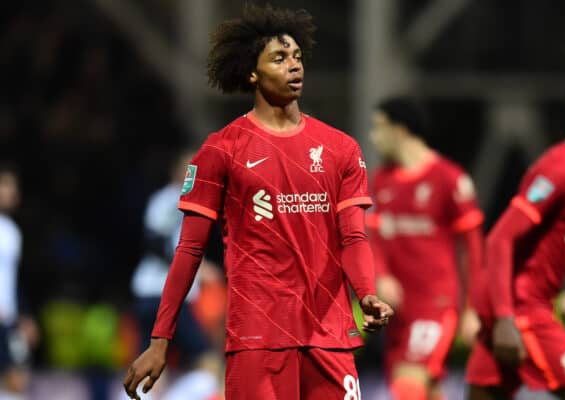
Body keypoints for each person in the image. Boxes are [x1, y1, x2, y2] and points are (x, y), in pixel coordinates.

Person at [123, 4, 393, 400]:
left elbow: (353, 237)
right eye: (280, 58)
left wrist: (366, 292)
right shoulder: (222, 150)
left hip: (328, 336)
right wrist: (160, 340)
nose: (294, 66)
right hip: (258, 338)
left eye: (298, 57)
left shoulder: (340, 149)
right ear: (253, 72)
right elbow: (190, 249)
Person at [466, 78, 565, 400]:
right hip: (522, 310)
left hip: (520, 311)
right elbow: (499, 239)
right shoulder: (559, 169)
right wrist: (505, 320)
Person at [366, 97, 484, 400]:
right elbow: (374, 238)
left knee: (408, 384)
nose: (373, 137)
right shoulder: (382, 180)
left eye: (380, 128)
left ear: (401, 130)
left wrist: (472, 309)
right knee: (427, 390)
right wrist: (381, 275)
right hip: (399, 312)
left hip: (436, 303)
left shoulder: (449, 179)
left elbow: (473, 249)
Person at [129, 149, 221, 399]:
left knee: (154, 368)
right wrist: (195, 267)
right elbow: (153, 241)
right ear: (179, 171)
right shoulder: (169, 200)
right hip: (163, 294)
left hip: (156, 294)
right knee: (208, 362)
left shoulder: (185, 201)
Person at [0, 163, 39, 399]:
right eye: (5, 185)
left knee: (17, 379)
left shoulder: (13, 232)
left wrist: (24, 315)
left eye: (13, 186)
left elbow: (13, 279)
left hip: (8, 320)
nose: (11, 191)